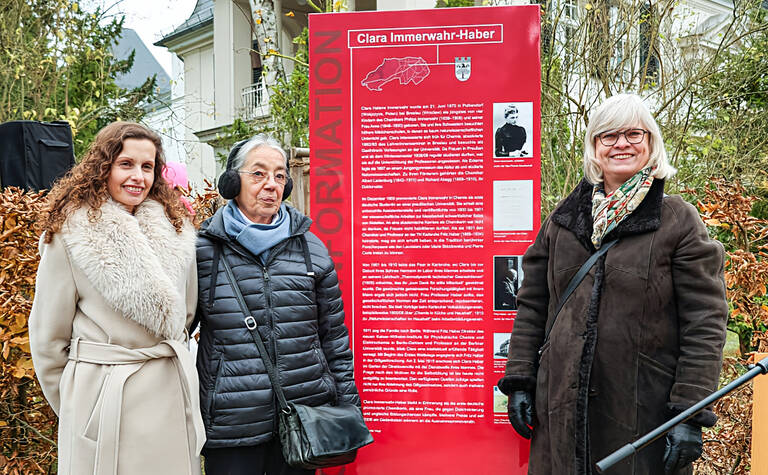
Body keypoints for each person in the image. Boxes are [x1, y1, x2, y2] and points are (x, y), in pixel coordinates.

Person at [497, 94, 728, 475]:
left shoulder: (677, 220)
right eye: (608, 136)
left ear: (651, 143)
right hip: (559, 414)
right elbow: (533, 303)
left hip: (641, 414)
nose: (621, 144)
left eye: (634, 133)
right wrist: (521, 379)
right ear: (594, 147)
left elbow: (705, 322)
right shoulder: (563, 219)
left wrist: (689, 413)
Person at [29, 122, 204, 474]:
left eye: (147, 166)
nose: (137, 176)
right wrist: (82, 406)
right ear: (103, 167)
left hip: (168, 393)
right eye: (126, 164)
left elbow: (183, 315)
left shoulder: (179, 233)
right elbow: (47, 339)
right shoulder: (70, 233)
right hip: (102, 400)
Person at [193, 134, 360, 475]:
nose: (271, 184)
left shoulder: (310, 248)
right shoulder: (202, 251)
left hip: (302, 420)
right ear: (231, 183)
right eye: (258, 174)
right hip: (231, 424)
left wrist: (347, 406)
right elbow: (174, 332)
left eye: (280, 175)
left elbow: (334, 339)